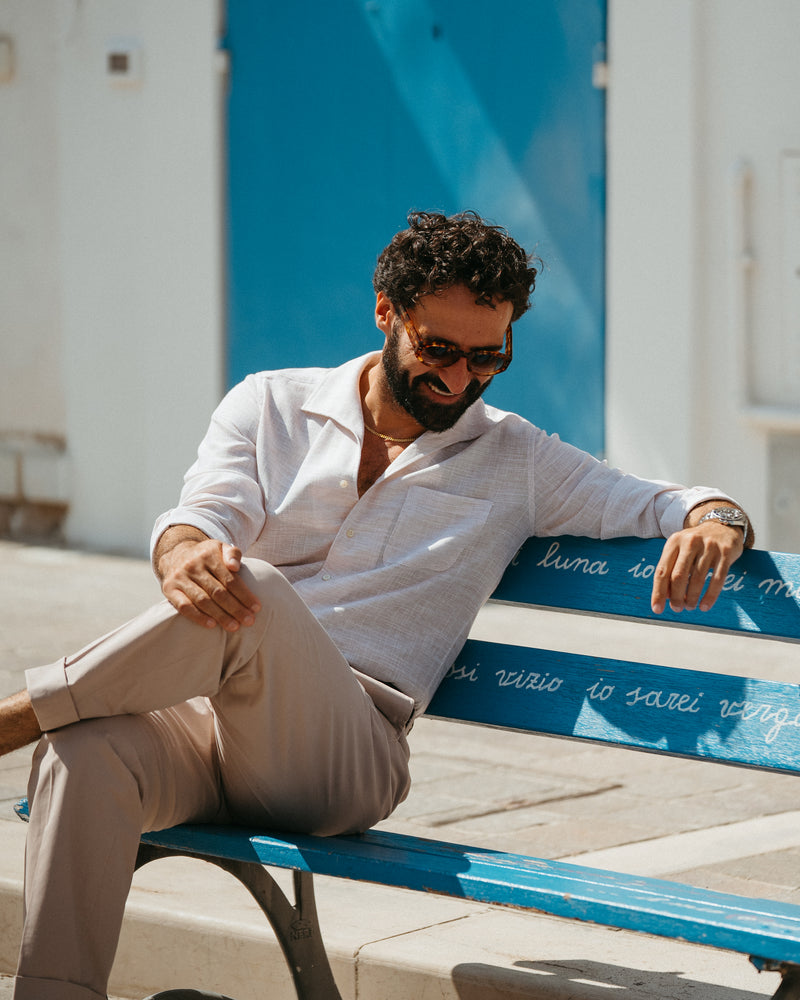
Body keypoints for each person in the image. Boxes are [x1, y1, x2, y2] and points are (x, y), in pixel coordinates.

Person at [1, 210, 752, 1000]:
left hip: (346, 757)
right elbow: (203, 517)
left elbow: (667, 501)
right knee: (82, 755)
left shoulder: (519, 459)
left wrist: (717, 521)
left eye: (488, 358)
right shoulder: (271, 405)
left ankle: (16, 716)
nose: (461, 381)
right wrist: (184, 553)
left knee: (255, 591)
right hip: (214, 727)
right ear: (387, 312)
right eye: (439, 351)